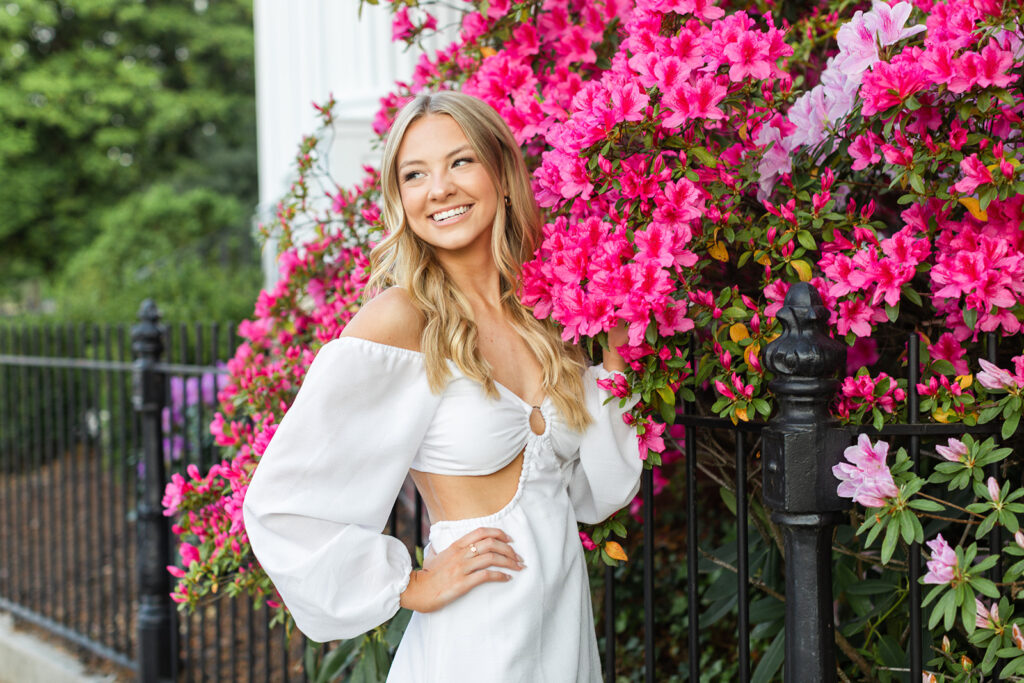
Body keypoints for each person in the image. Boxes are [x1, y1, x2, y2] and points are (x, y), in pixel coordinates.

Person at [242, 91, 642, 682]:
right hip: (472, 643)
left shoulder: (546, 314)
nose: (440, 188)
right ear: (401, 199)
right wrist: (409, 585)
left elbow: (595, 495)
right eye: (415, 174)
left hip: (562, 635)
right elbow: (280, 505)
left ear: (502, 173)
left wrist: (616, 357)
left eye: (460, 162)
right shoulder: (401, 320)